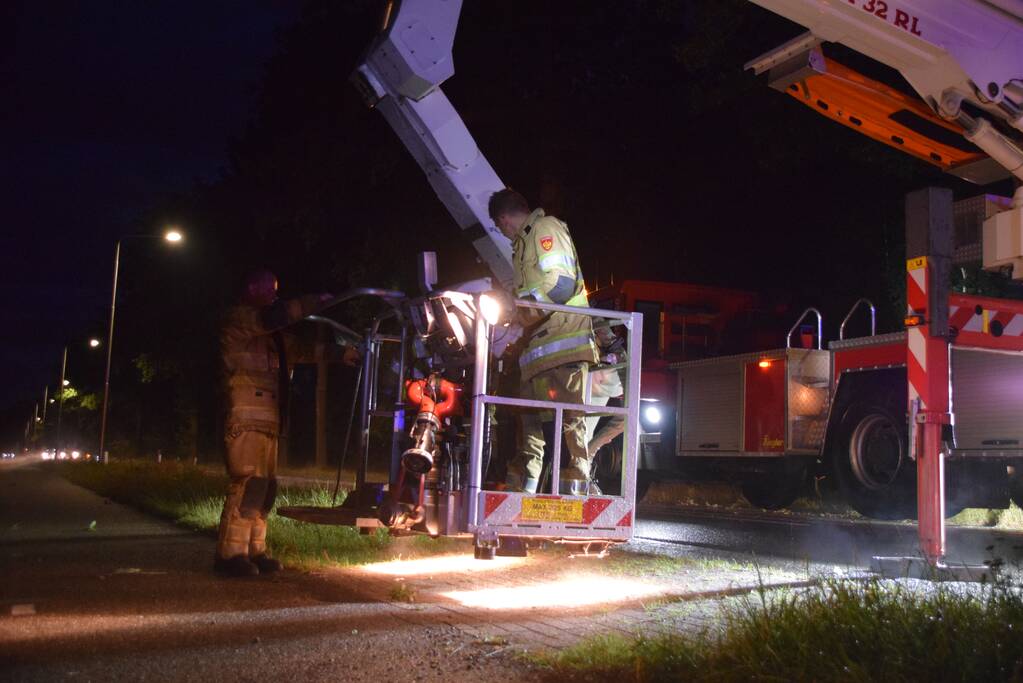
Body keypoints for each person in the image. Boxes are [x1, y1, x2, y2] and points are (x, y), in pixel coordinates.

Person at [215, 270, 357, 577]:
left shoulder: (273, 340)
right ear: (250, 290)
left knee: (264, 489)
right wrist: (312, 302)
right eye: (267, 290)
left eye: (275, 291)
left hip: (270, 421)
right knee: (246, 484)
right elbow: (276, 316)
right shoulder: (239, 321)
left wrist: (343, 354)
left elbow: (304, 350)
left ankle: (255, 551)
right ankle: (230, 555)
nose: (273, 295)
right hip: (245, 418)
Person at [488, 189, 598, 494]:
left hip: (565, 340)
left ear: (504, 219)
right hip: (541, 348)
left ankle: (576, 481)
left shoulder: (545, 228)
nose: (503, 233)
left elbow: (561, 283)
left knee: (569, 417)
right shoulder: (523, 244)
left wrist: (523, 311)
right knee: (530, 418)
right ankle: (527, 485)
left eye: (499, 227)